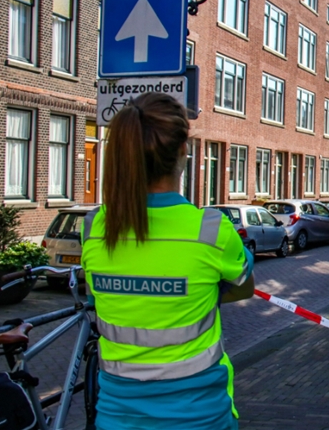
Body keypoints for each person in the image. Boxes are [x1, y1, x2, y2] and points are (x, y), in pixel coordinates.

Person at [81, 93, 255, 430]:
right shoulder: (212, 229)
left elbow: (96, 298)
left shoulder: (94, 227)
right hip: (198, 416)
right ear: (182, 153)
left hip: (118, 417)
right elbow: (243, 289)